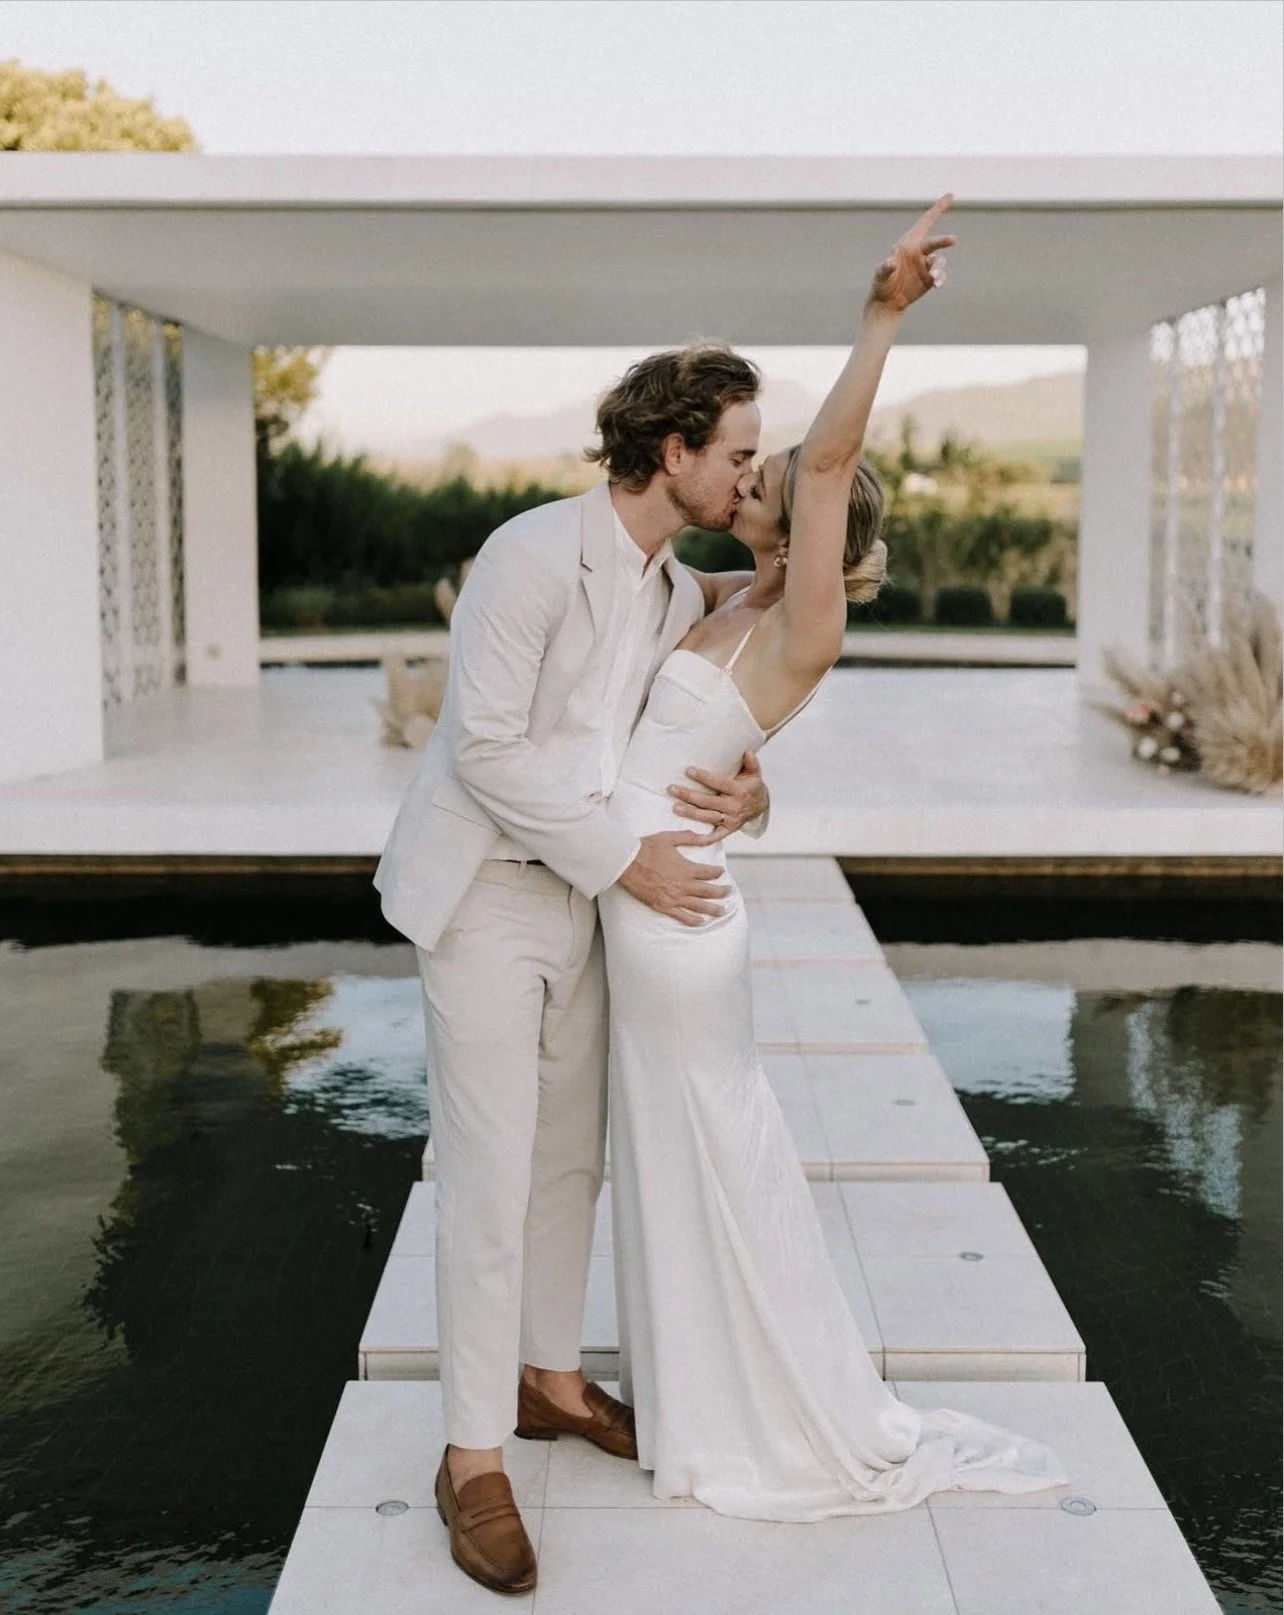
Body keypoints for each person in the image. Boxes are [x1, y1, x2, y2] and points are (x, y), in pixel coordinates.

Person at [597, 195, 1073, 1518]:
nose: (747, 481)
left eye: (769, 478)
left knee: (715, 1154)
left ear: (813, 530)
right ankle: (696, 1404)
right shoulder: (718, 600)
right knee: (673, 1154)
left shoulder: (801, 622)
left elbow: (819, 467)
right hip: (652, 897)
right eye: (744, 471)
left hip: (679, 921)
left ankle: (761, 1412)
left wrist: (882, 315)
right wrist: (756, 791)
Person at [374, 344, 780, 1595]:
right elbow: (484, 745)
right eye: (740, 455)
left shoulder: (667, 588)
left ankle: (549, 1381)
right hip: (490, 893)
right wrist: (628, 861)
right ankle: (470, 1457)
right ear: (675, 453)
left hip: (587, 906)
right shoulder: (529, 555)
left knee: (569, 1159)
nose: (749, 474)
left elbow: (753, 658)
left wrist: (756, 790)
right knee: (490, 1172)